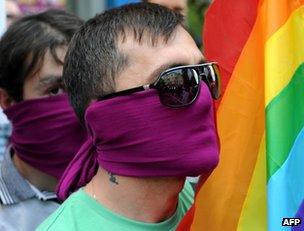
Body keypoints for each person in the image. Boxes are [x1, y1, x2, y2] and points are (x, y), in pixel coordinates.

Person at [38, 3, 220, 231]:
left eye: (206, 75)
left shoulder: (209, 201)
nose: (203, 97)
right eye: (175, 81)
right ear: (105, 117)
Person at [0, 10, 87, 231]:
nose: (79, 105)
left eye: (85, 87)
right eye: (55, 90)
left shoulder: (128, 191)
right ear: (8, 101)